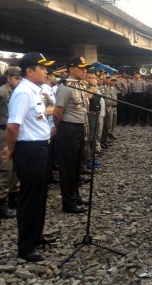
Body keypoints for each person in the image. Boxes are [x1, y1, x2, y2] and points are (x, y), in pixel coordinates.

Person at [2, 52, 55, 262]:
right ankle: (25, 246)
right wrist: (10, 149)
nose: (46, 72)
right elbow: (13, 126)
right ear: (29, 71)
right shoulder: (24, 92)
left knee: (40, 196)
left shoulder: (36, 90)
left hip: (40, 148)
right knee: (30, 197)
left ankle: (36, 236)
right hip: (29, 150)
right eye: (41, 68)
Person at [53, 56, 91, 214]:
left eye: (85, 68)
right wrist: (60, 129)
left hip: (78, 128)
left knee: (77, 166)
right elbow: (57, 113)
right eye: (81, 68)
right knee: (68, 168)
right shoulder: (66, 88)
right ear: (71, 69)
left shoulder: (79, 85)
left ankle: (75, 196)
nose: (84, 71)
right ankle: (68, 203)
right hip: (68, 129)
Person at [0, 67, 21, 219]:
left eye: (21, 78)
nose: (19, 81)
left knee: (15, 167)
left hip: (15, 131)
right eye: (16, 78)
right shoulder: (2, 93)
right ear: (8, 77)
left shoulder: (17, 92)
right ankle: (2, 202)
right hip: (3, 131)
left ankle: (14, 197)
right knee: (5, 168)